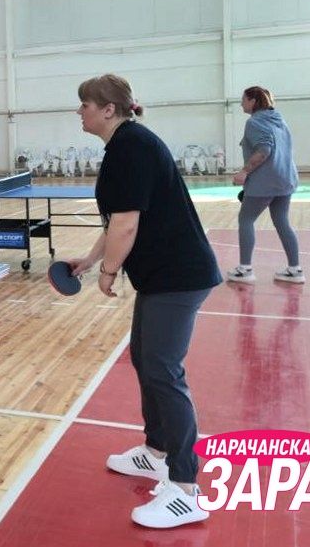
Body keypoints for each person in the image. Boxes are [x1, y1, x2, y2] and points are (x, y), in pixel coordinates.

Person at [67, 74, 221, 529]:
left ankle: (186, 488)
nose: (80, 111)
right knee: (144, 358)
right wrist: (91, 260)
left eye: (85, 104)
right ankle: (156, 452)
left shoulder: (131, 147)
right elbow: (116, 219)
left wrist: (108, 272)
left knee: (163, 371)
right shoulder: (123, 145)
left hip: (179, 275)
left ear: (108, 110)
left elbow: (126, 225)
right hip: (161, 275)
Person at [227, 86, 303, 284]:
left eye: (243, 99)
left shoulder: (254, 122)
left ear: (253, 101)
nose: (241, 103)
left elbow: (264, 150)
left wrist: (244, 172)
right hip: (285, 180)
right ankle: (295, 270)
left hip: (265, 182)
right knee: (282, 221)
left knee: (246, 219)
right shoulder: (279, 120)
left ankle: (245, 270)